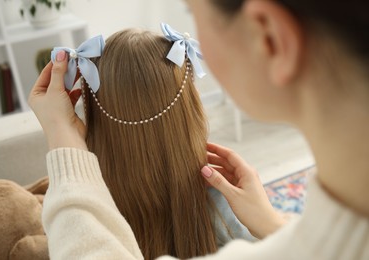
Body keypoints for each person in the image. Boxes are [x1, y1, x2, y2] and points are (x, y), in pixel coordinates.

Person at [29, 0, 369, 259]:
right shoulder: (236, 219)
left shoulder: (74, 208)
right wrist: (272, 224)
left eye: (192, 11)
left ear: (268, 36)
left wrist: (63, 138)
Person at [49, 26, 256, 259]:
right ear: (190, 110)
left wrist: (57, 129)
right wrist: (267, 221)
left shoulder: (82, 210)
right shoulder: (221, 201)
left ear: (94, 116)